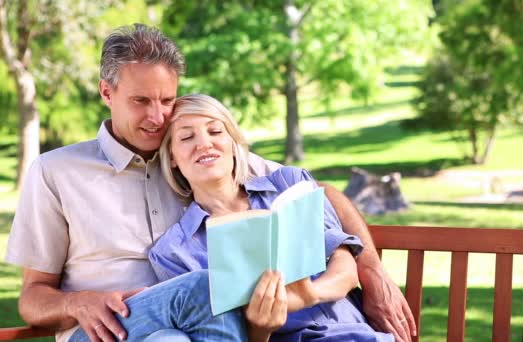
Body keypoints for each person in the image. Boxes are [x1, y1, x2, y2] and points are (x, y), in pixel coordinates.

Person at [4, 23, 415, 342]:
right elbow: (32, 297)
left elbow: (317, 192)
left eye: (167, 100)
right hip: (105, 329)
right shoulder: (56, 171)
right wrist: (78, 304)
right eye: (141, 101)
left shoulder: (193, 153)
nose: (157, 116)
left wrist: (372, 269)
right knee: (207, 285)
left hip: (192, 329)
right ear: (106, 92)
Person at [149, 94, 395, 341]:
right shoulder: (173, 252)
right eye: (187, 137)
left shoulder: (289, 184)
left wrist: (309, 295)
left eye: (215, 131)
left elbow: (346, 265)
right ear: (171, 157)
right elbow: (219, 335)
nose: (204, 144)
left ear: (233, 142)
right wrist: (261, 327)